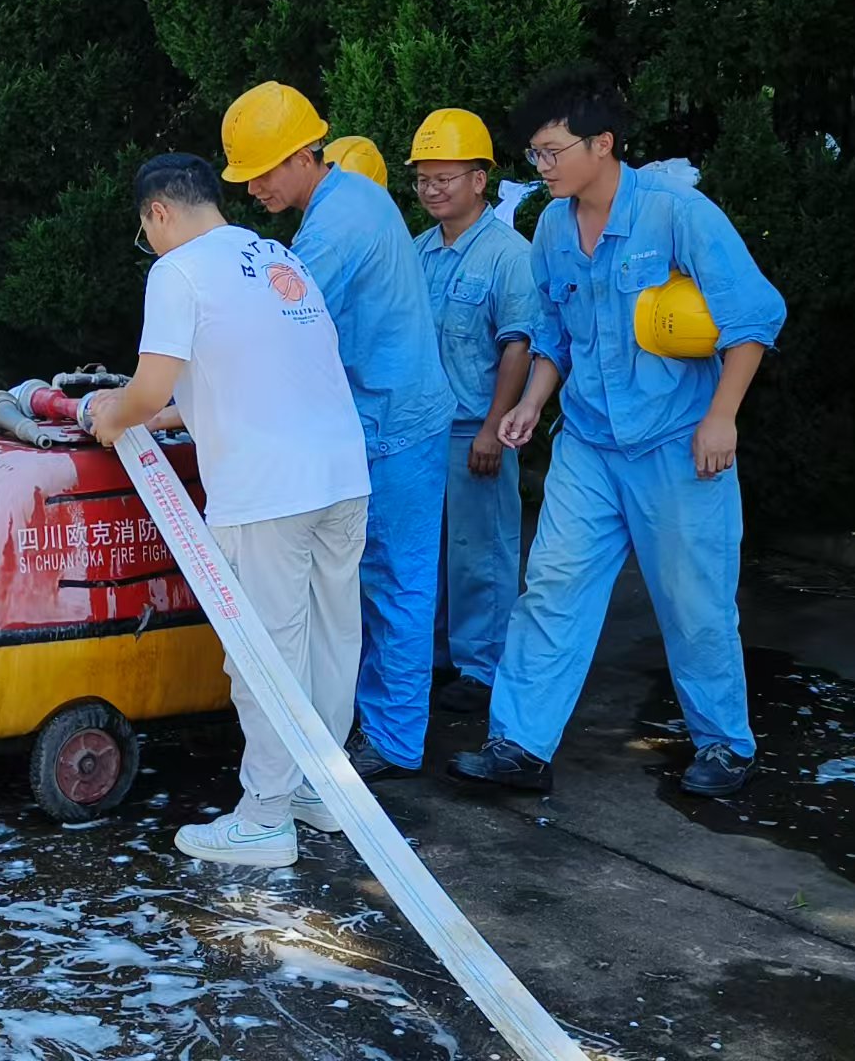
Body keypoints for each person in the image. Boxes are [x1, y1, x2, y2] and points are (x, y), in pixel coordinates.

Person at [448, 64, 786, 798]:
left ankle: (724, 745)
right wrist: (531, 403)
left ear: (601, 143)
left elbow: (754, 317)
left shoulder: (676, 213)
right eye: (534, 154)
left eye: (551, 151)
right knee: (552, 588)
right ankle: (519, 745)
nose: (541, 167)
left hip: (677, 443)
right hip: (589, 446)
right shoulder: (551, 229)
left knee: (693, 602)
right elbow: (553, 333)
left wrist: (721, 417)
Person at [83, 153, 370, 868]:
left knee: (264, 651)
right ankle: (321, 792)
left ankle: (265, 817)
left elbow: (148, 388)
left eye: (145, 229)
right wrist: (161, 416)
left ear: (157, 212)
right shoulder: (275, 258)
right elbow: (253, 377)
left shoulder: (177, 271)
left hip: (267, 491)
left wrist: (111, 415)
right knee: (332, 640)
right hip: (341, 475)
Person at [220, 81, 452, 783]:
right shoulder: (344, 201)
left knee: (397, 583)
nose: (252, 187)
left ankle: (393, 740)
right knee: (381, 581)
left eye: (261, 170)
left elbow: (275, 327)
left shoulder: (336, 225)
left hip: (396, 423)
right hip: (380, 415)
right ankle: (371, 723)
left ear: (303, 155)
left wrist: (176, 397)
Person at [406, 108, 540, 714]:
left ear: (480, 180)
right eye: (423, 180)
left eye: (445, 178)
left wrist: (493, 428)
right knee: (428, 550)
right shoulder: (419, 252)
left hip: (474, 431)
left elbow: (519, 345)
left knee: (479, 551)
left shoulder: (509, 254)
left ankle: (482, 668)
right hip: (424, 431)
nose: (433, 190)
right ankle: (438, 657)